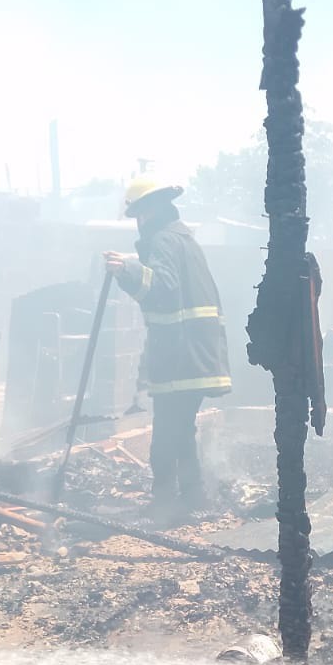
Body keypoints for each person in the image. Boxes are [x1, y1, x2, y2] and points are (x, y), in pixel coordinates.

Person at [104, 176, 231, 520]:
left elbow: (162, 286)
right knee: (182, 429)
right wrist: (132, 262)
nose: (138, 222)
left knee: (165, 433)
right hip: (194, 354)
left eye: (137, 215)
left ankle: (163, 504)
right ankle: (193, 499)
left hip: (181, 355)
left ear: (145, 212)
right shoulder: (179, 237)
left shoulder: (163, 240)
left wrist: (128, 270)